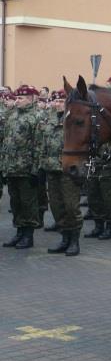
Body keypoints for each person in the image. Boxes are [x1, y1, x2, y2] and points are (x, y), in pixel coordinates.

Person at [39, 90, 83, 256]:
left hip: (68, 170)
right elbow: (43, 143)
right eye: (55, 101)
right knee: (57, 207)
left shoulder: (73, 122)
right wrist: (41, 166)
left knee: (71, 207)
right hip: (52, 169)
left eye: (60, 101)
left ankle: (74, 240)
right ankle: (64, 238)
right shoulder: (49, 120)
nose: (57, 104)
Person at [1, 85, 41, 249]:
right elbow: (6, 144)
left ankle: (28, 235)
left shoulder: (36, 117)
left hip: (26, 169)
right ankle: (19, 232)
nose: (17, 101)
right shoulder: (12, 116)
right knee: (15, 203)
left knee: (28, 203)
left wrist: (35, 170)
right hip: (11, 168)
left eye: (21, 98)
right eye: (16, 98)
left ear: (31, 99)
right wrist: (3, 166)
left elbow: (38, 146)